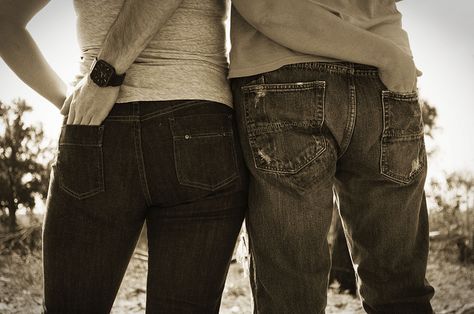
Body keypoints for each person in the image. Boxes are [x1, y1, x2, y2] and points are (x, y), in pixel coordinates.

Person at [0, 0, 248, 312]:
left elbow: (5, 21)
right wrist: (83, 92)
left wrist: (80, 94)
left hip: (100, 126)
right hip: (199, 123)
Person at [229, 0, 434, 313]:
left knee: (291, 296)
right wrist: (387, 56)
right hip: (387, 75)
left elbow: (263, 7)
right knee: (400, 293)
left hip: (282, 69)